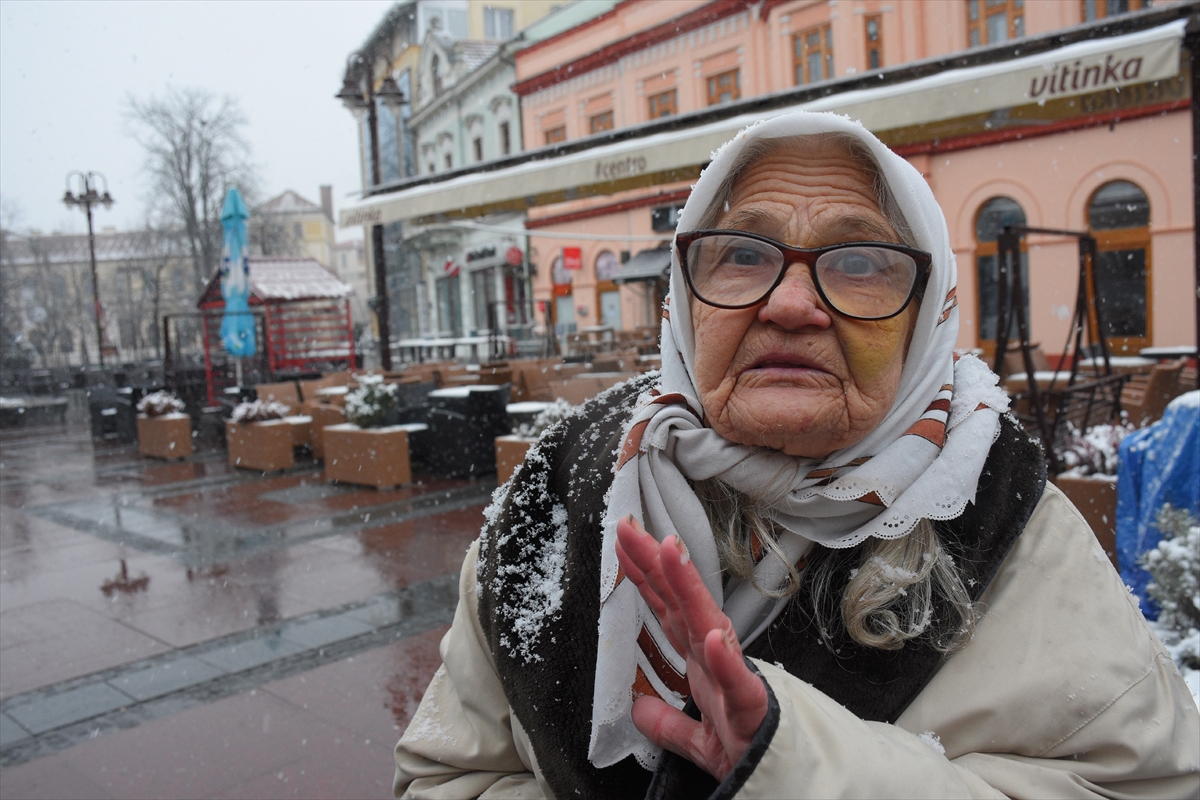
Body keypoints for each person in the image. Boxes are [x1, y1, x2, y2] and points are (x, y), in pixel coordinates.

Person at [394, 111, 1200, 799]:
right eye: (743, 253)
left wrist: (798, 766)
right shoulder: (565, 489)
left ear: (928, 315)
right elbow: (445, 776)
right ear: (684, 297)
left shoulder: (1007, 518)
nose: (789, 304)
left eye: (859, 263)